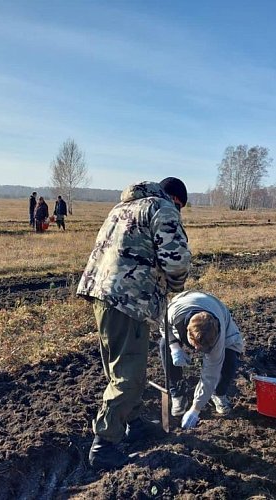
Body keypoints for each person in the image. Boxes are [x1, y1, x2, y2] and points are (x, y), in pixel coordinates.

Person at [77, 177, 191, 471]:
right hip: (130, 299)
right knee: (128, 373)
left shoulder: (122, 208)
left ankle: (134, 422)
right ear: (175, 199)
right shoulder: (162, 208)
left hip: (101, 294)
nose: (178, 212)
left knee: (118, 364)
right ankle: (104, 444)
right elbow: (176, 261)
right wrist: (175, 284)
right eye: (180, 207)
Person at [158, 290, 244, 430]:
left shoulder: (218, 335)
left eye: (203, 348)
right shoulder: (173, 313)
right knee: (164, 344)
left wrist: (195, 409)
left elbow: (210, 374)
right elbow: (163, 326)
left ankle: (219, 394)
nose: (198, 351)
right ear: (187, 333)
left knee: (230, 356)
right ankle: (177, 395)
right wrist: (175, 348)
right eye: (197, 346)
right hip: (185, 302)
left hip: (216, 309)